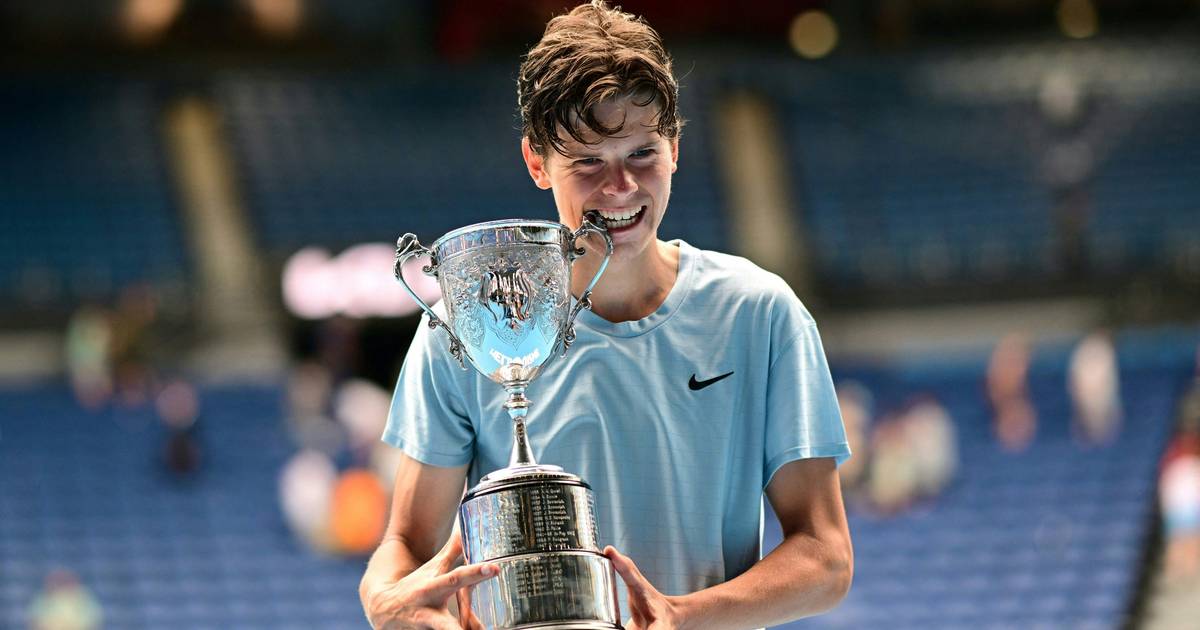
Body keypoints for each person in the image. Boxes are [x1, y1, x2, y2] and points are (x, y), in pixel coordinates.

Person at [359, 3, 853, 628]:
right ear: (537, 163)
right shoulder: (466, 328)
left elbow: (825, 556)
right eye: (588, 161)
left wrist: (681, 616)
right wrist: (383, 601)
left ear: (675, 146)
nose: (620, 186)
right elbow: (405, 544)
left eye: (642, 153)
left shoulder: (760, 314)